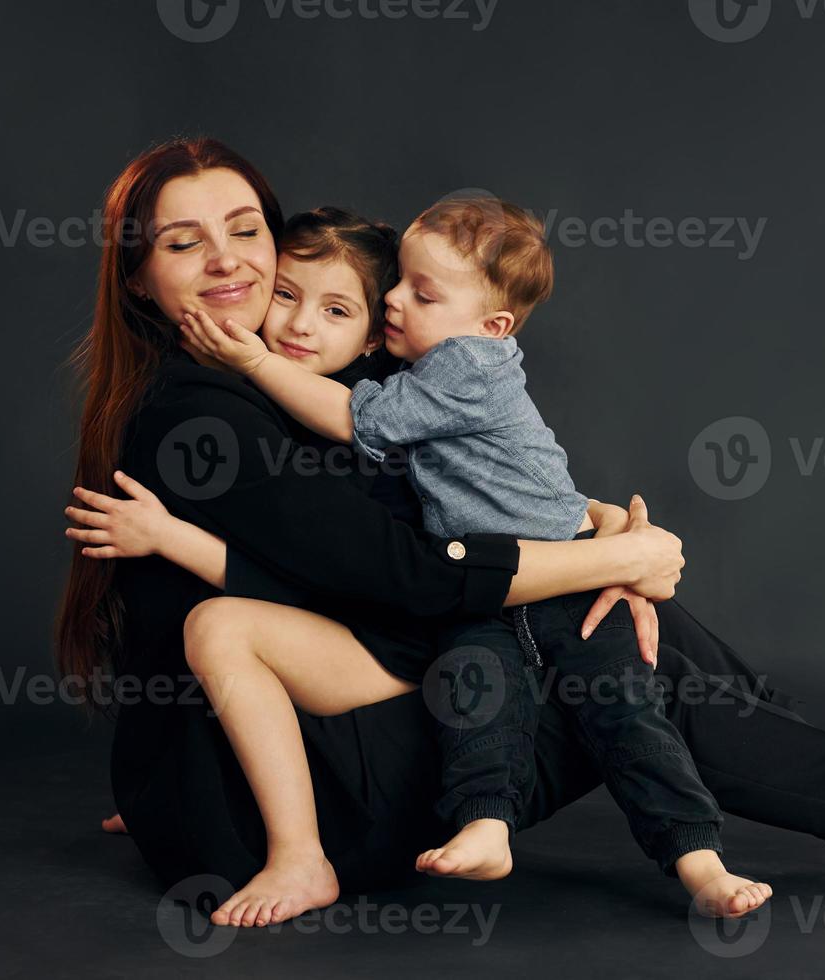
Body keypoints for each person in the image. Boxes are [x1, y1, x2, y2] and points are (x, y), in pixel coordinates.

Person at [60, 136, 825, 932]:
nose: (232, 262)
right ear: (144, 279)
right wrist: (614, 555)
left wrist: (586, 527)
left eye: (246, 228)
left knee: (623, 626)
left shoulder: (270, 390)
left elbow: (409, 515)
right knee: (623, 648)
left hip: (271, 767)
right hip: (291, 812)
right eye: (185, 242)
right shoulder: (208, 413)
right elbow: (400, 575)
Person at [169, 196, 765, 916]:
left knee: (624, 714)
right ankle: (487, 826)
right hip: (491, 589)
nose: (393, 298)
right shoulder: (429, 372)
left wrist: (257, 360)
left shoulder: (464, 366)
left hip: (556, 580)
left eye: (421, 293)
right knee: (479, 703)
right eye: (397, 284)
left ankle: (700, 862)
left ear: (493, 327)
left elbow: (356, 420)